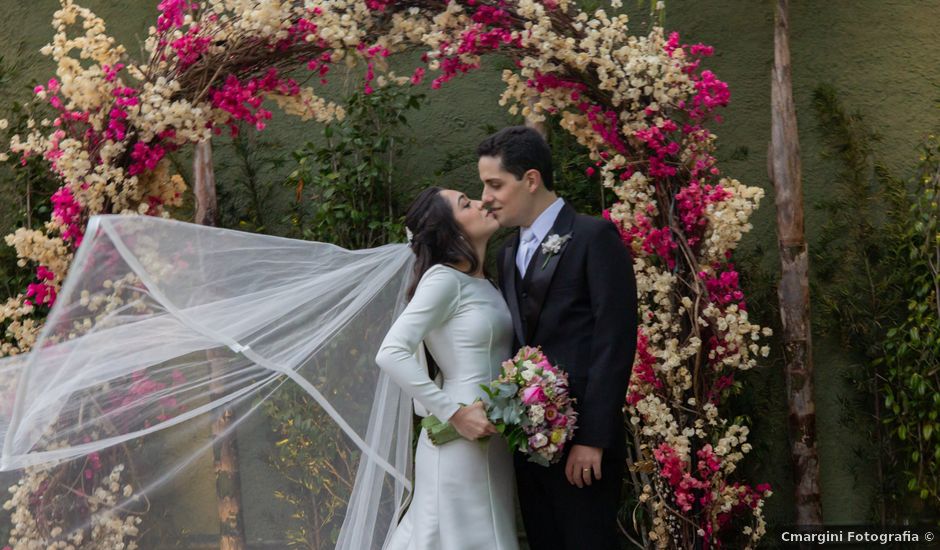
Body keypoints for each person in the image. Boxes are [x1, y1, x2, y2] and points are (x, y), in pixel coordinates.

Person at [478, 126, 638, 550]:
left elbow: (615, 340)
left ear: (530, 179)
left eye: (495, 184)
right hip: (527, 446)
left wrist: (593, 438)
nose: (486, 197)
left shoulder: (593, 237)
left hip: (584, 446)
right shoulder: (506, 252)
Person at [375, 187, 519, 550]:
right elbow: (391, 352)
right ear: (450, 232)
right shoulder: (443, 280)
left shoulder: (486, 283)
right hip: (459, 439)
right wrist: (453, 413)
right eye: (466, 204)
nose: (481, 202)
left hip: (492, 435)